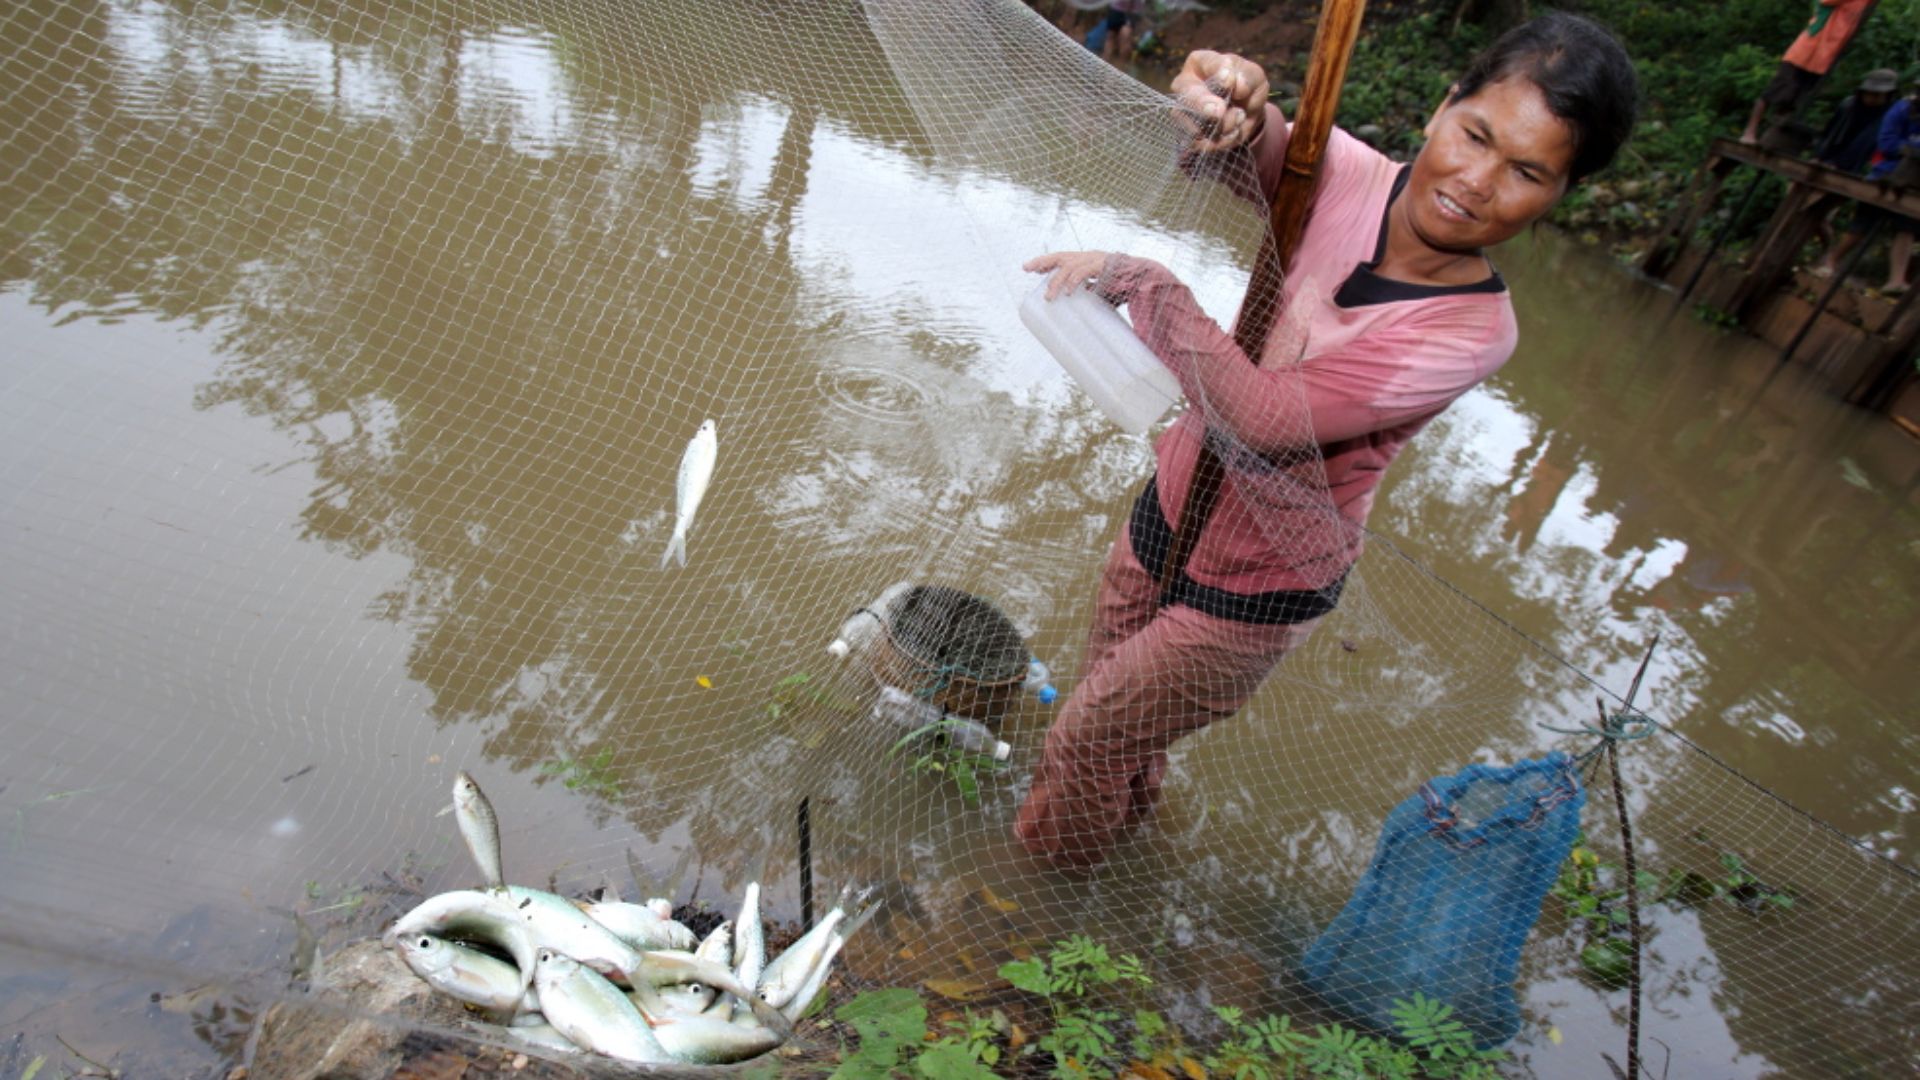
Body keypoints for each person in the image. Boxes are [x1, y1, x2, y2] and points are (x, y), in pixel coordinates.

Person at [1013, 13, 1638, 871]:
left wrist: (1145, 283)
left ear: (1561, 193)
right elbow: (1260, 147)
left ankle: (1037, 902)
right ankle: (1116, 849)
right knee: (1109, 719)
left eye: (1527, 171)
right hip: (1169, 508)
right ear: (1442, 109)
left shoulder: (1470, 330)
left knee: (1084, 738)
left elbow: (1267, 418)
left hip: (1255, 591)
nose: (1477, 179)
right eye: (1475, 134)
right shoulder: (1344, 173)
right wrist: (1227, 102)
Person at [1817, 74, 1920, 293]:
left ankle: (1896, 279)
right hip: (1887, 173)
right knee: (1862, 225)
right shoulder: (1901, 110)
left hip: (1916, 182)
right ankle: (1831, 260)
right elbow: (1886, 143)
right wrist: (1912, 149)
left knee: (1906, 229)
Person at [1739, 0, 1875, 146]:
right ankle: (1750, 131)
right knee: (1778, 90)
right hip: (1807, 49)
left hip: (1826, 56)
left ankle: (1771, 139)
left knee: (1797, 101)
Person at [1806, 68, 1898, 277]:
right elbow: (1829, 135)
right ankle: (1826, 249)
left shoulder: (1889, 116)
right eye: (1870, 93)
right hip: (1830, 164)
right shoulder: (1848, 106)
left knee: (1860, 219)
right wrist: (1821, 158)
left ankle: (1831, 259)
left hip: (1864, 172)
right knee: (1811, 212)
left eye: (1878, 94)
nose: (1872, 98)